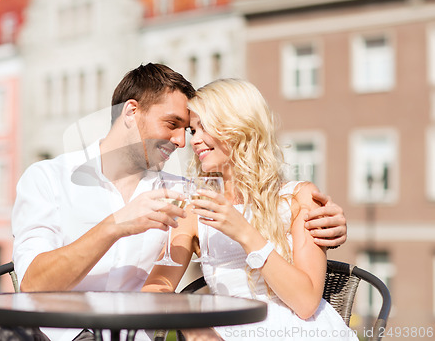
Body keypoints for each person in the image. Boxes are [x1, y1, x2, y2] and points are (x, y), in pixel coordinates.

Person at [10, 64, 347, 341]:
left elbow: (304, 299)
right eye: (176, 125)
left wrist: (334, 222)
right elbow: (34, 285)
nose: (185, 141)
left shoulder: (188, 196)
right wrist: (115, 226)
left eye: (195, 129)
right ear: (131, 112)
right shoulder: (48, 179)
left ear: (239, 130)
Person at [142, 78, 358, 341]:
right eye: (192, 131)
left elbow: (305, 303)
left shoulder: (298, 197)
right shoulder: (195, 208)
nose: (194, 141)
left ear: (238, 127)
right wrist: (194, 327)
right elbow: (155, 289)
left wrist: (244, 232)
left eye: (203, 128)